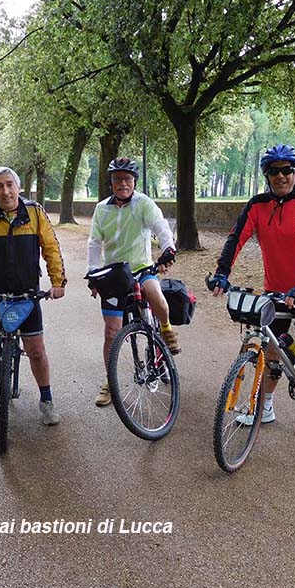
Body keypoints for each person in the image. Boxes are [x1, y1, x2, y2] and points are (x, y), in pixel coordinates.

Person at [209, 144, 295, 458]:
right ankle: (267, 407)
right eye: (274, 170)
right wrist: (222, 272)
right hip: (276, 290)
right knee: (272, 352)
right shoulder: (258, 205)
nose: (280, 176)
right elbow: (236, 237)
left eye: (287, 170)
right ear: (266, 175)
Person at [0, 166, 67, 426]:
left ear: (18, 188)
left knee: (36, 351)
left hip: (27, 294)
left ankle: (46, 399)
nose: (5, 191)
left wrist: (57, 282)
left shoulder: (35, 213)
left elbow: (51, 248)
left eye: (9, 185)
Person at [86, 157, 178, 407]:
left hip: (141, 268)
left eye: (127, 179)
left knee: (155, 295)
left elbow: (160, 226)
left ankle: (166, 329)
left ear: (134, 182)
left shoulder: (143, 203)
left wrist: (168, 248)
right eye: (118, 179)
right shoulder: (101, 209)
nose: (123, 184)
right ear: (111, 182)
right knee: (111, 332)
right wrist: (92, 272)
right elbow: (94, 242)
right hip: (114, 274)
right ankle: (110, 381)